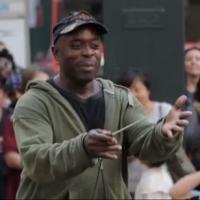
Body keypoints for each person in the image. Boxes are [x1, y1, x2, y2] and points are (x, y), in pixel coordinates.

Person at [13, 10, 192, 199]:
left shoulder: (120, 98)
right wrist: (83, 148)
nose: (88, 52)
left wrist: (163, 133)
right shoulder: (34, 102)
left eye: (94, 45)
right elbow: (36, 163)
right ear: (56, 53)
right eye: (76, 45)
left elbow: (147, 145)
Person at [118, 68, 195, 198]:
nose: (132, 95)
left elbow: (175, 144)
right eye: (127, 90)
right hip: (129, 183)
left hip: (161, 183)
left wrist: (163, 137)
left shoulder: (164, 110)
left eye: (137, 89)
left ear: (148, 90)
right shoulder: (120, 115)